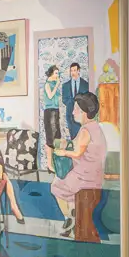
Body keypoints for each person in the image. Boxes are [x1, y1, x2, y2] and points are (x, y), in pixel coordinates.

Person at [46, 92, 108, 242]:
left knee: (55, 185)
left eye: (76, 109)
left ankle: (69, 217)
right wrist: (65, 144)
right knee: (64, 183)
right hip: (93, 174)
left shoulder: (86, 130)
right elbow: (76, 144)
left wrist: (63, 152)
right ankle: (72, 215)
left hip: (85, 177)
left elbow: (77, 152)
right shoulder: (94, 127)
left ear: (85, 112)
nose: (73, 112)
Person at [61, 62, 90, 138]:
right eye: (71, 71)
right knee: (73, 137)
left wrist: (79, 105)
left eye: (74, 70)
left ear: (78, 71)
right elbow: (64, 99)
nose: (72, 73)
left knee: (82, 137)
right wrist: (71, 103)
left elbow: (87, 98)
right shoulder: (65, 85)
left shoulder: (86, 85)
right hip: (70, 115)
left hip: (81, 115)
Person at [40, 65, 62, 148]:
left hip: (56, 109)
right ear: (51, 74)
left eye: (58, 73)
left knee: (57, 131)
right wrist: (56, 85)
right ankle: (51, 150)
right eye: (56, 73)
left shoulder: (54, 83)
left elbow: (58, 96)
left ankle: (57, 150)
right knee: (51, 133)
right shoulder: (47, 84)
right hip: (49, 110)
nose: (57, 75)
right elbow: (50, 96)